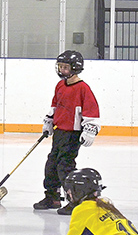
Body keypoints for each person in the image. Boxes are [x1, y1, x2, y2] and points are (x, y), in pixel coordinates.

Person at [34, 50, 100, 215]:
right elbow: (55, 105)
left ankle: (74, 199)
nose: (62, 70)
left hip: (73, 135)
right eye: (60, 67)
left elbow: (92, 111)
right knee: (51, 165)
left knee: (65, 167)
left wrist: (90, 130)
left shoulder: (83, 88)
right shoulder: (60, 86)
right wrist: (49, 121)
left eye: (65, 67)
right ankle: (52, 196)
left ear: (75, 68)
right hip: (59, 132)